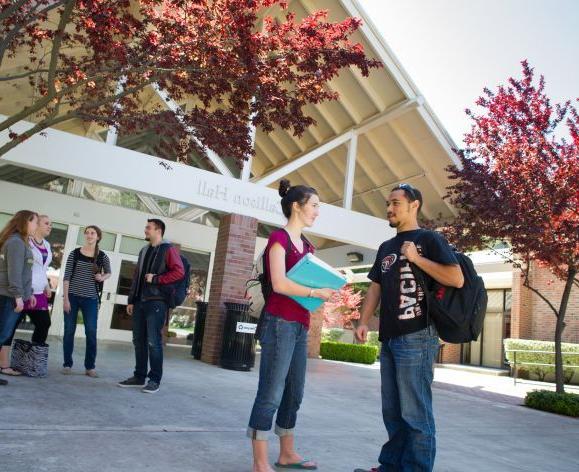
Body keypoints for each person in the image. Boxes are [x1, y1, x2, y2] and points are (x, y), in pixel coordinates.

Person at [353, 184, 464, 472]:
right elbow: (375, 288)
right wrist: (364, 321)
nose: (389, 209)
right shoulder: (386, 248)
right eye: (387, 204)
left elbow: (456, 278)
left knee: (415, 413)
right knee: (392, 411)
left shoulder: (429, 239)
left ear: (414, 205)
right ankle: (391, 466)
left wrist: (416, 259)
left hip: (417, 337)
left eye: (395, 203)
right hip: (389, 338)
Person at [247, 179, 335, 472]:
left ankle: (287, 453)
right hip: (278, 323)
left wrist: (327, 285)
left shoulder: (308, 245)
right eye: (314, 206)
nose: (317, 212)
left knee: (294, 392)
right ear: (296, 206)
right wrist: (314, 292)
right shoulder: (278, 240)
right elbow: (281, 283)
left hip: (300, 324)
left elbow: (307, 279)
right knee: (270, 392)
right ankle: (260, 462)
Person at [118, 219, 184, 393]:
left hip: (156, 302)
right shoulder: (144, 250)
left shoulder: (168, 249)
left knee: (154, 342)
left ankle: (154, 379)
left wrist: (156, 279)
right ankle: (139, 377)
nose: (145, 230)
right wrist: (131, 300)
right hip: (140, 301)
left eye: (148, 228)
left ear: (158, 230)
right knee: (138, 341)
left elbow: (179, 272)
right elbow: (137, 277)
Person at [0, 214, 53, 376]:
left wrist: (45, 284)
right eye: (43, 222)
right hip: (17, 292)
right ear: (29, 223)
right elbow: (16, 271)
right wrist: (19, 295)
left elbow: (36, 269)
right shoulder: (21, 242)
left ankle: (32, 360)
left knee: (43, 323)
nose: (49, 226)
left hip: (30, 292)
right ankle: (4, 364)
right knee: (7, 330)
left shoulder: (46, 245)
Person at [62, 225, 111, 377]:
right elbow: (66, 277)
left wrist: (101, 277)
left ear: (98, 237)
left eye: (93, 233)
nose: (90, 235)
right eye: (87, 233)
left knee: (91, 332)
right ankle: (67, 364)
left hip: (91, 299)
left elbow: (109, 273)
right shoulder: (75, 254)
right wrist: (66, 299)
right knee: (69, 331)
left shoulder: (102, 256)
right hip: (72, 297)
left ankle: (90, 367)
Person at [0, 210, 38, 386]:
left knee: (3, 334)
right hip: (7, 296)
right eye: (34, 222)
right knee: (2, 334)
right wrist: (18, 296)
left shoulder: (23, 242)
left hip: (12, 295)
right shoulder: (16, 242)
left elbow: (25, 273)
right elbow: (14, 273)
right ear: (25, 222)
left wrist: (28, 294)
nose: (36, 226)